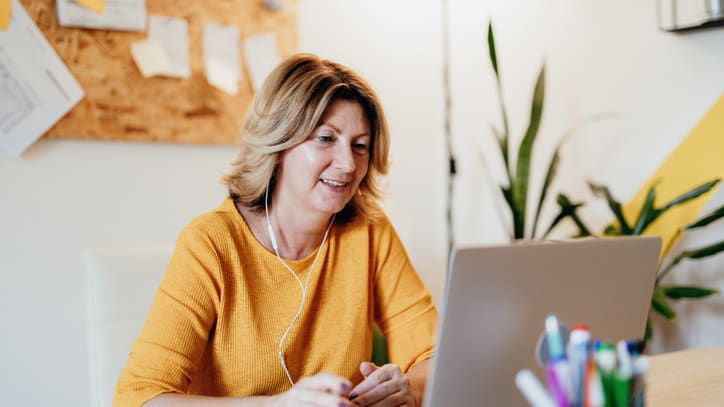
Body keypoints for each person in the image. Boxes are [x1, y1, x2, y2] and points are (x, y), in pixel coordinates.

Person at [114, 54, 437, 407]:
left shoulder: (369, 231)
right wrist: (275, 405)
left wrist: (411, 388)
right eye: (326, 139)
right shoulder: (210, 243)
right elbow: (139, 398)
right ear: (280, 143)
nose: (348, 164)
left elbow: (434, 354)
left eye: (359, 145)